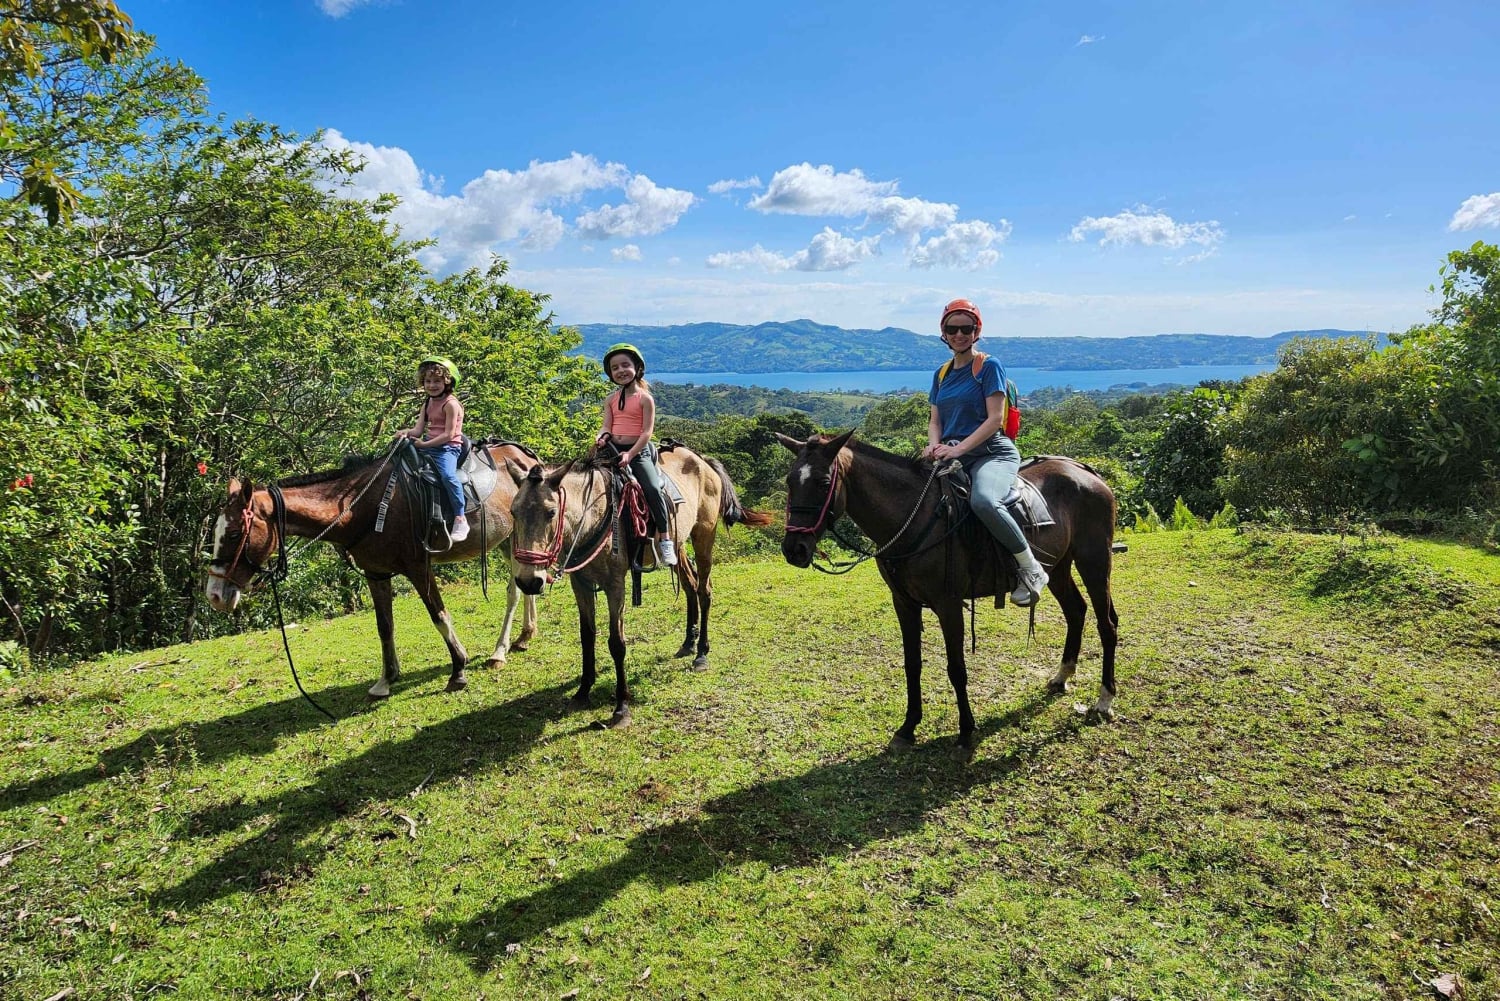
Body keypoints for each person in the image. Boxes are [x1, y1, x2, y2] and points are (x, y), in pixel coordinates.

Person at [921, 299, 1048, 605]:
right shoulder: (941, 374)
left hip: (991, 453)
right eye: (953, 328)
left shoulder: (988, 366)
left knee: (984, 501)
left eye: (967, 328)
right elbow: (935, 419)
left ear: (976, 331)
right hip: (953, 454)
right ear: (944, 333)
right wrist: (933, 445)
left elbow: (994, 419)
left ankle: (1031, 568)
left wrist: (960, 449)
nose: (959, 334)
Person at [596, 343, 676, 566]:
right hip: (612, 450)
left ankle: (666, 540)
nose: (620, 370)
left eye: (625, 365)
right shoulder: (610, 399)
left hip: (638, 452)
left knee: (651, 487)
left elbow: (647, 433)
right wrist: (602, 436)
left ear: (637, 368)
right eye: (615, 368)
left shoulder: (644, 398)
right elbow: (606, 425)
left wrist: (630, 455)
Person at [397, 355, 469, 543]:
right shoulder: (428, 403)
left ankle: (460, 518)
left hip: (447, 449)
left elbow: (449, 434)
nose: (432, 385)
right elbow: (418, 430)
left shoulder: (451, 404)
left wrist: (423, 445)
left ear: (448, 381)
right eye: (428, 381)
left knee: (447, 476)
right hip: (429, 445)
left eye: (437, 381)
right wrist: (405, 433)